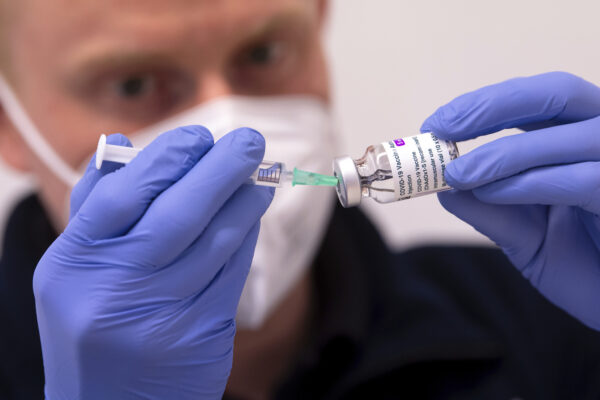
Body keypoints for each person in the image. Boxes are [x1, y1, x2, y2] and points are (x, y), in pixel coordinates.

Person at [1, 0, 600, 399]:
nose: (230, 121)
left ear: (318, 23)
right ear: (9, 125)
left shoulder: (537, 315)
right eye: (133, 83)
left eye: (263, 53)